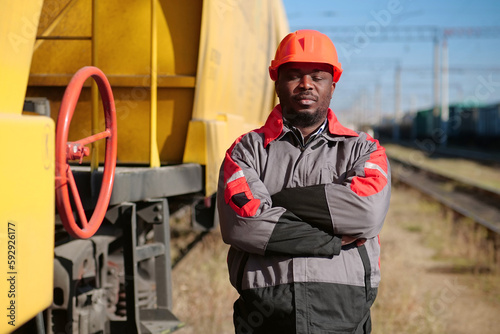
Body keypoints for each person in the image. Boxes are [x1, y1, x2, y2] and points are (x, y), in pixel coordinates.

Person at [217, 29, 391, 334]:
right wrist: (331, 240)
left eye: (317, 76)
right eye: (294, 75)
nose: (306, 84)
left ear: (332, 86)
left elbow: (365, 212)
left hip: (343, 313)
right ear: (278, 83)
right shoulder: (245, 150)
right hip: (264, 314)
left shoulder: (364, 149)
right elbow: (242, 224)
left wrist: (277, 202)